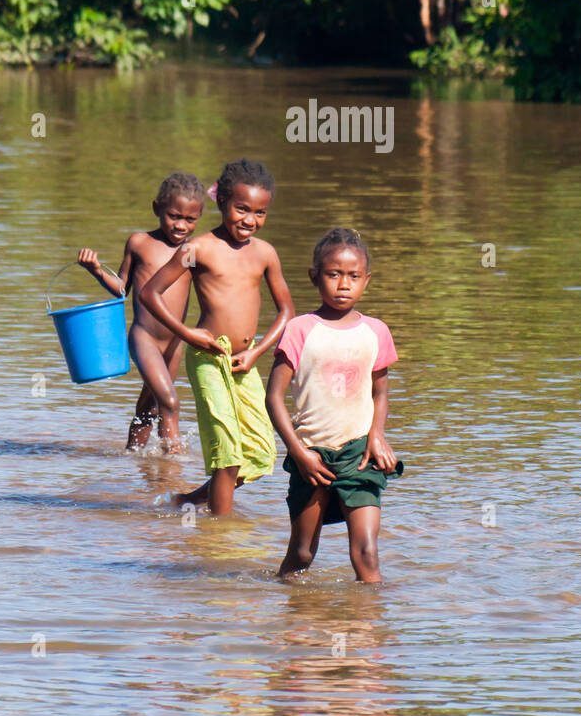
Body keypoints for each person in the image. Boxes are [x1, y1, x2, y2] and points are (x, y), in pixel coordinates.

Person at [140, 158, 294, 515]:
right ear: (222, 201)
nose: (250, 220)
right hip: (209, 357)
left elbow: (287, 312)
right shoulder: (200, 248)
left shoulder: (265, 253)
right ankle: (218, 538)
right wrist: (188, 334)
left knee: (257, 450)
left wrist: (257, 353)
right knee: (226, 453)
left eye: (260, 212)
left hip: (246, 361)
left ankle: (189, 501)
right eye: (242, 209)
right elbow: (151, 293)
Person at [266, 227, 401, 584]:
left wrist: (377, 435)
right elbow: (274, 397)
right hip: (311, 455)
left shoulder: (376, 332)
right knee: (302, 554)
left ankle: (370, 629)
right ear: (315, 277)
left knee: (367, 552)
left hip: (360, 453)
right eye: (334, 274)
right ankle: (290, 618)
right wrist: (298, 452)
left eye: (354, 276)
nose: (344, 284)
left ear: (366, 280)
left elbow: (380, 393)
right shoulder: (299, 329)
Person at [77, 172, 204, 452]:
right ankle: (173, 468)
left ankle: (133, 460)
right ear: (156, 208)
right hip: (144, 338)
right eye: (173, 216)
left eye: (190, 219)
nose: (181, 225)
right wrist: (96, 270)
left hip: (175, 342)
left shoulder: (194, 250)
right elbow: (122, 288)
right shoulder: (140, 243)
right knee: (170, 401)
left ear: (200, 217)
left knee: (152, 405)